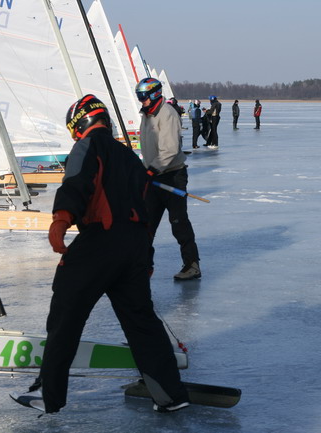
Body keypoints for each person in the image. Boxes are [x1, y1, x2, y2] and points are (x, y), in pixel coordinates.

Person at [10, 95, 189, 414]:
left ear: (80, 124)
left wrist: (61, 219)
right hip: (134, 245)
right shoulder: (130, 157)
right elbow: (145, 210)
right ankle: (170, 395)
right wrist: (144, 256)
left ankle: (49, 396)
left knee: (65, 315)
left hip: (100, 242)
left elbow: (77, 182)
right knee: (142, 323)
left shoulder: (87, 146)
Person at [135, 78, 201, 280]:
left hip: (172, 176)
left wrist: (152, 169)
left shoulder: (168, 114)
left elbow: (170, 149)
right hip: (153, 177)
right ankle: (142, 266)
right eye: (139, 96)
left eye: (143, 96)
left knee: (178, 222)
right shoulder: (146, 115)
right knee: (145, 225)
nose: (141, 100)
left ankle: (192, 265)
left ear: (154, 94)